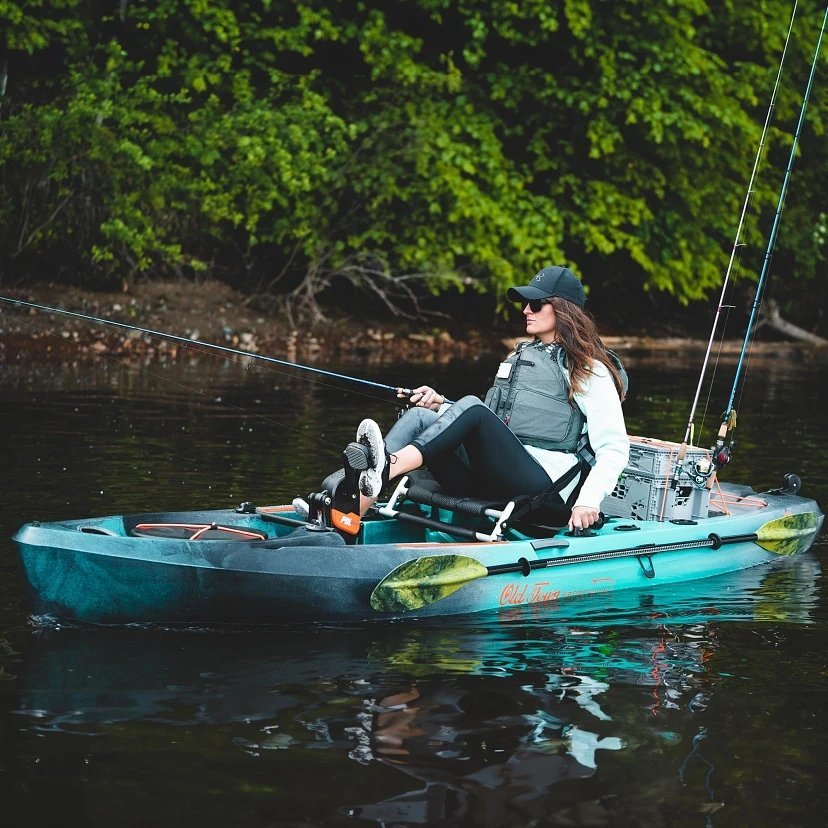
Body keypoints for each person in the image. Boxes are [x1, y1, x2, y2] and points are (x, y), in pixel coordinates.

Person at [336, 266, 629, 531]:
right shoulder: (520, 356)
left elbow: (614, 448)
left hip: (544, 495)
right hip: (495, 480)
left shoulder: (589, 370)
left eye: (536, 303)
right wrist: (441, 405)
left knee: (472, 407)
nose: (526, 310)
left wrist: (587, 501)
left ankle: (387, 465)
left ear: (564, 310)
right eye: (525, 303)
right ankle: (347, 514)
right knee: (420, 417)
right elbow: (490, 421)